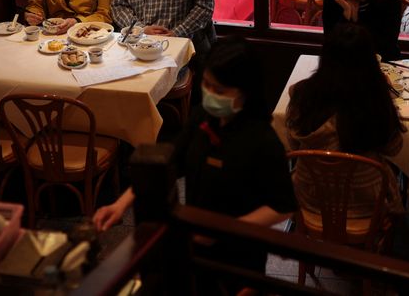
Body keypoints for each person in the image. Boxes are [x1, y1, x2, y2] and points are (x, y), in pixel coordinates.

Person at [93, 37, 297, 289]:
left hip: (239, 253)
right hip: (194, 242)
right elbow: (170, 160)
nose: (210, 94)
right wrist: (120, 204)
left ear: (246, 92)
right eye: (207, 85)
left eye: (220, 91)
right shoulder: (202, 117)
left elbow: (283, 206)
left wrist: (224, 229)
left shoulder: (262, 140)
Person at [286, 23, 404, 216]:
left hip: (309, 199)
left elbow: (293, 145)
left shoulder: (300, 93)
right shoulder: (376, 99)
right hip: (367, 206)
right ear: (370, 61)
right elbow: (394, 148)